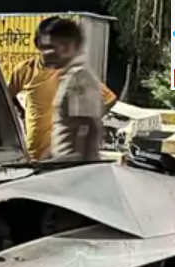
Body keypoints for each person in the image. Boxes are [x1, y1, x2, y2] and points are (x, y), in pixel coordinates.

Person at [8, 16, 117, 161]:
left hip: (60, 162)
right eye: (45, 47)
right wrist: (22, 113)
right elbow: (7, 96)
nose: (48, 53)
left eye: (53, 47)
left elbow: (106, 102)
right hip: (37, 155)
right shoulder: (26, 70)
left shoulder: (78, 78)